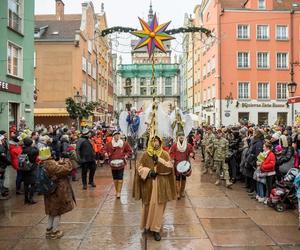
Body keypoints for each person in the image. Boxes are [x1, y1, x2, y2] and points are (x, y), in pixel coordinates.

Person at [133, 136, 176, 241]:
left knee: (159, 207)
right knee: (147, 206)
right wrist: (148, 172)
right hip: (148, 184)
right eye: (152, 141)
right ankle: (147, 226)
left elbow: (170, 168)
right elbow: (139, 167)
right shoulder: (145, 154)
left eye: (156, 141)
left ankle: (156, 229)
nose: (155, 143)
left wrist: (160, 160)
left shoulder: (165, 154)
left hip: (161, 184)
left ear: (160, 142)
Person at [42, 156, 75, 239]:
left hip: (49, 192)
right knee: (58, 211)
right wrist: (67, 161)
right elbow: (67, 169)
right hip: (57, 192)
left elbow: (57, 168)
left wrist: (60, 163)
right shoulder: (52, 166)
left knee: (51, 212)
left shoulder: (44, 165)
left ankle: (49, 229)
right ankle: (55, 232)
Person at [105, 131, 132, 198]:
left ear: (119, 136)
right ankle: (117, 191)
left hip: (121, 163)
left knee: (120, 176)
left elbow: (129, 151)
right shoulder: (109, 144)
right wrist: (105, 153)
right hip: (113, 163)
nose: (117, 136)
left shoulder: (124, 143)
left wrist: (126, 155)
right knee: (115, 177)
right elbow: (104, 150)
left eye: (118, 135)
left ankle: (119, 192)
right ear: (113, 136)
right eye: (115, 135)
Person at [169, 131, 194, 199]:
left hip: (185, 164)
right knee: (177, 178)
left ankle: (182, 191)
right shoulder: (174, 145)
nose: (181, 138)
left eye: (182, 136)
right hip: (177, 164)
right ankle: (177, 193)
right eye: (180, 137)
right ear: (178, 138)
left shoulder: (188, 145)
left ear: (184, 137)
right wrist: (172, 159)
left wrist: (191, 154)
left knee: (183, 177)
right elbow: (171, 153)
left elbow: (191, 151)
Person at [22, 137, 39, 204]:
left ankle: (26, 198)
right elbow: (38, 151)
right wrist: (34, 145)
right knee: (33, 183)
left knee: (26, 184)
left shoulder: (23, 150)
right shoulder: (34, 150)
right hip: (32, 167)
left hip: (25, 168)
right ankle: (31, 198)